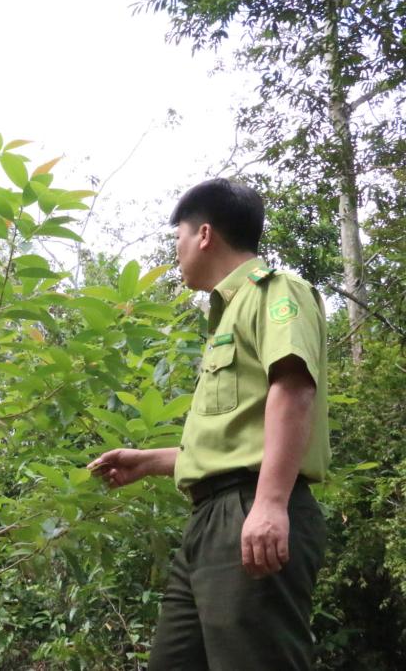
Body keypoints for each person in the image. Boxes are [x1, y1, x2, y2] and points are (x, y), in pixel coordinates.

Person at [88, 178, 330, 670]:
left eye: (176, 237)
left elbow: (293, 389)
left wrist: (269, 504)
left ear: (203, 234)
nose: (175, 251)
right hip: (211, 519)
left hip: (250, 509)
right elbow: (236, 439)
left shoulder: (275, 292)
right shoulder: (225, 318)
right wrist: (149, 461)